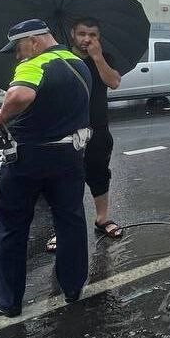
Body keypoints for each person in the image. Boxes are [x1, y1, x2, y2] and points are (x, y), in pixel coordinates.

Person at [0, 19, 92, 316]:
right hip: (70, 156)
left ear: (34, 41)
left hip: (27, 159)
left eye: (18, 48)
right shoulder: (78, 63)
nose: (17, 55)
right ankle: (72, 288)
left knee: (12, 227)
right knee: (70, 221)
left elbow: (20, 95)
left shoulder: (35, 63)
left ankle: (9, 302)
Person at [45, 18, 123, 251]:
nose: (87, 39)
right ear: (72, 34)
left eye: (93, 35)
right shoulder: (58, 58)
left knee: (99, 174)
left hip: (97, 129)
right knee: (65, 180)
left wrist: (98, 58)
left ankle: (102, 219)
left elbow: (114, 82)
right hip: (66, 132)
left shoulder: (104, 58)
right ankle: (62, 228)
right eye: (82, 34)